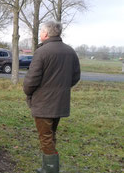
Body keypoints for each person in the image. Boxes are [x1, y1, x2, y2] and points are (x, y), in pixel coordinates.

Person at [23, 21, 81, 173]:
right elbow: (75, 77)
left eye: (41, 31)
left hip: (44, 104)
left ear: (46, 34)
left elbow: (31, 79)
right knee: (50, 134)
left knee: (46, 137)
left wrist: (27, 91)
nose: (40, 34)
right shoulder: (70, 51)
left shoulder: (42, 52)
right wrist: (62, 89)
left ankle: (50, 170)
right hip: (60, 102)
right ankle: (46, 167)